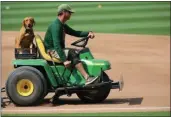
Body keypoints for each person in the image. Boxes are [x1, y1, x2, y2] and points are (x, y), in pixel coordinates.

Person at [44, 4, 99, 85]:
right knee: (73, 53)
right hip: (52, 51)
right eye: (69, 12)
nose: (70, 14)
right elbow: (56, 45)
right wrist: (64, 60)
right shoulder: (56, 26)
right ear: (63, 12)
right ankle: (87, 78)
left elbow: (74, 32)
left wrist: (88, 33)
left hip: (56, 49)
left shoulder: (62, 25)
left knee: (76, 51)